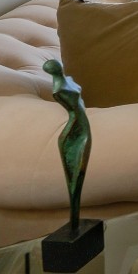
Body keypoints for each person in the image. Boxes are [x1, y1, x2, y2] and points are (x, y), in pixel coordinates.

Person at [43, 59, 91, 233]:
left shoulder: (67, 79)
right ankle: (74, 217)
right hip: (73, 130)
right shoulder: (58, 90)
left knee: (80, 170)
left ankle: (75, 216)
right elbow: (72, 111)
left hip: (84, 125)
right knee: (74, 174)